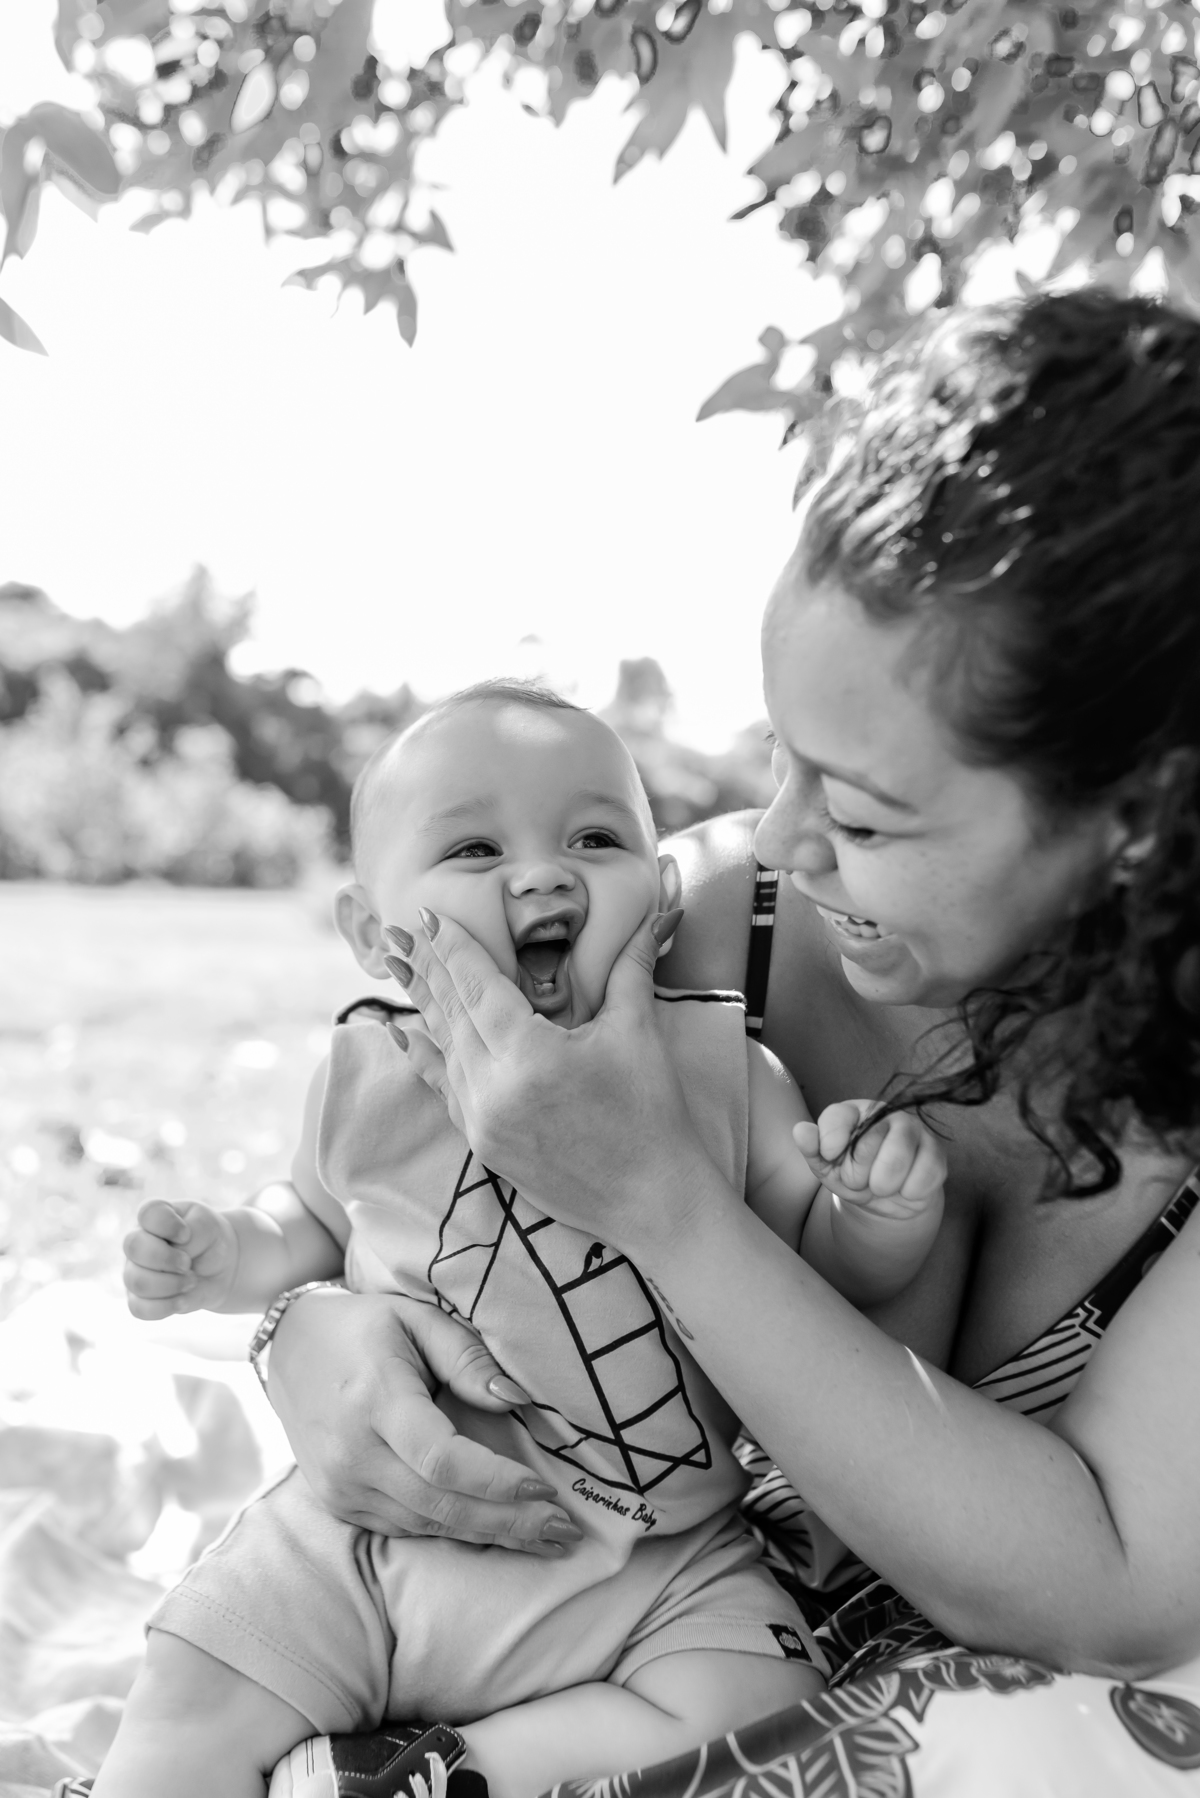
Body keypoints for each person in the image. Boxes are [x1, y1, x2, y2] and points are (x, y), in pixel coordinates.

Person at [243, 290, 1200, 1797]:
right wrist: (307, 1336)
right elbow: (371, 1185)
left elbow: (1113, 1591)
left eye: (867, 811)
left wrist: (666, 1204)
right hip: (569, 1633)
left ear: (1139, 830)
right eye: (778, 754)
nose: (780, 837)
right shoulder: (689, 935)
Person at [98, 685, 947, 1798]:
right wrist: (227, 1249)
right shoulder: (370, 1078)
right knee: (198, 1670)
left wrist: (875, 1217)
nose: (542, 874)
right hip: (374, 1541)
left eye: (596, 838)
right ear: (375, 935)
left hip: (655, 1563)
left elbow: (818, 1269)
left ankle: (422, 1774)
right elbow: (306, 1222)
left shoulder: (723, 1072)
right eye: (473, 847)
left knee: (761, 1700)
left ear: (659, 896)